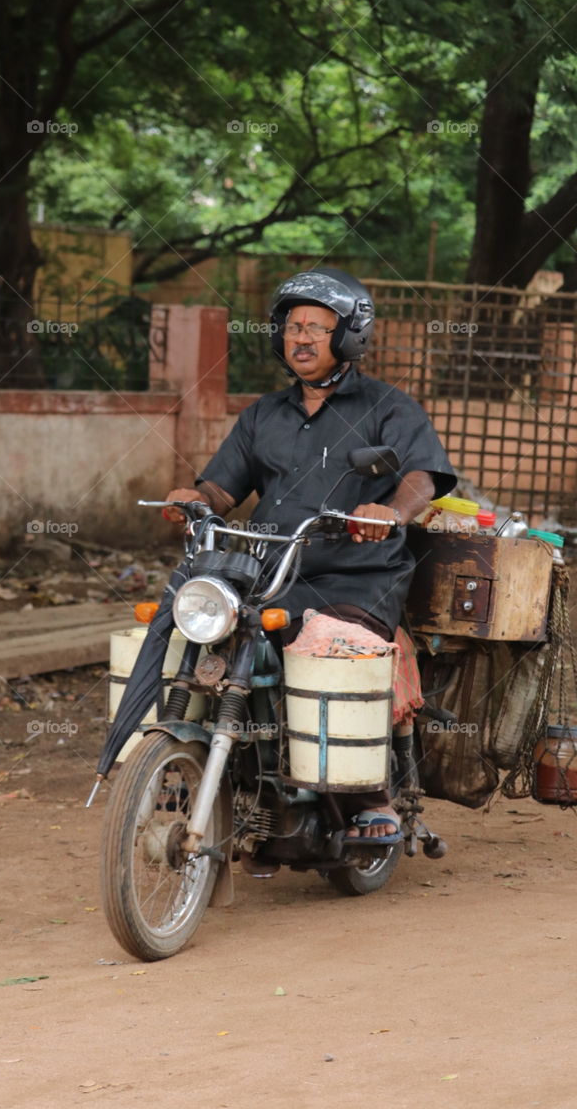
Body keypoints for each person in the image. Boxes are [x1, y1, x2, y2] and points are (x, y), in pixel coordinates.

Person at [164, 268, 456, 850]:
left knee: (326, 651)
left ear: (349, 338)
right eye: (293, 326)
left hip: (358, 578)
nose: (301, 338)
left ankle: (368, 795)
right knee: (191, 631)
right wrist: (195, 500)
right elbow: (224, 489)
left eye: (318, 329)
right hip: (273, 573)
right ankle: (192, 762)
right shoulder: (262, 415)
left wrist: (390, 513)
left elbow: (422, 478)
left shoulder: (388, 407)